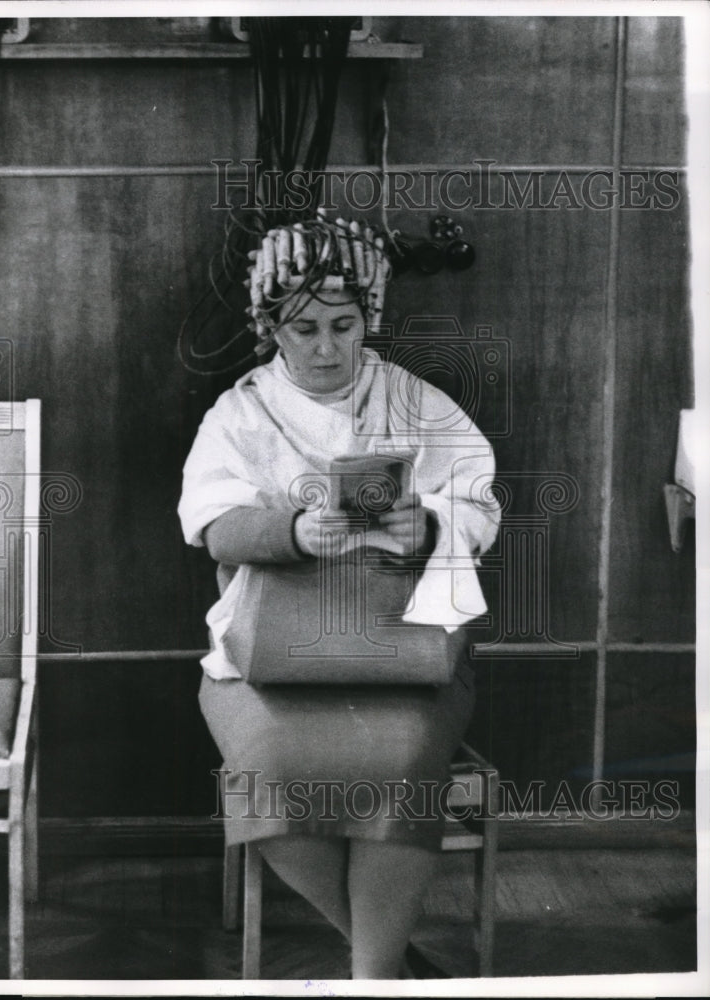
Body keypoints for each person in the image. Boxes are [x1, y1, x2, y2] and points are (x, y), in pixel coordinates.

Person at [178, 217, 500, 979]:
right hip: (268, 658)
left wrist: (423, 523)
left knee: (399, 764)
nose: (326, 348)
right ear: (270, 327)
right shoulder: (241, 412)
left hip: (401, 654)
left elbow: (480, 507)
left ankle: (372, 980)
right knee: (272, 773)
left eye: (344, 325)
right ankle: (393, 965)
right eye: (305, 328)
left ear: (369, 320)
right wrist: (291, 532)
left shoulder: (415, 402)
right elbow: (213, 527)